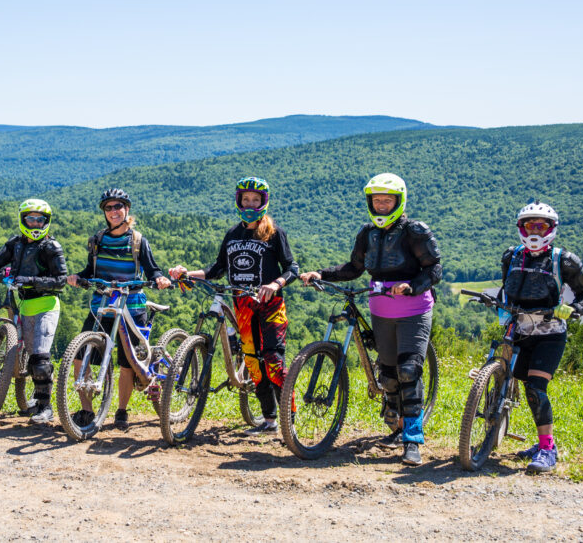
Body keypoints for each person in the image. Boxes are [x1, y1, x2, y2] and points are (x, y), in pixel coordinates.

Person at [300, 173, 441, 466]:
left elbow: (434, 270)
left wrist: (412, 286)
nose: (381, 206)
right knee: (388, 373)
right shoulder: (367, 233)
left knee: (408, 371)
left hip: (413, 309)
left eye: (387, 201)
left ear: (398, 202)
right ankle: (396, 424)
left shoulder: (415, 231)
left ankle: (413, 439)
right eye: (377, 201)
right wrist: (321, 274)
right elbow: (354, 268)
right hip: (381, 309)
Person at [170, 177, 298, 436]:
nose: (250, 203)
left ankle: (289, 419)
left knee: (273, 360)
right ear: (239, 200)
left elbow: (292, 268)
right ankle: (270, 420)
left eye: (256, 199)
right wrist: (186, 273)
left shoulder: (275, 233)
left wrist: (275, 284)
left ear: (264, 202)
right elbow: (216, 269)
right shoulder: (232, 234)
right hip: (242, 307)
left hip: (271, 306)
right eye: (246, 199)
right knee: (253, 362)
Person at [499, 202, 583, 474]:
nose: (535, 230)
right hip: (517, 330)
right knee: (511, 379)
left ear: (551, 229)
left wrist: (574, 310)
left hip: (550, 334)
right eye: (530, 225)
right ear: (521, 228)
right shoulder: (512, 256)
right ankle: (495, 431)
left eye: (541, 225)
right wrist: (499, 307)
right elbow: (506, 289)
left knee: (536, 388)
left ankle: (547, 447)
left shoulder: (564, 260)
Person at [67, 188, 171, 430]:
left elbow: (152, 270)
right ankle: (87, 411)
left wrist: (160, 279)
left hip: (131, 308)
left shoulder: (137, 241)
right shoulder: (97, 240)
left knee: (127, 364)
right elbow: (90, 272)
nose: (114, 211)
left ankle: (122, 410)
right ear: (104, 212)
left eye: (118, 207)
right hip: (101, 307)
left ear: (127, 210)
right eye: (109, 208)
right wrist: (77, 278)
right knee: (80, 357)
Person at [0, 199, 68, 424]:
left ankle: (45, 407)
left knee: (40, 360)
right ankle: (32, 400)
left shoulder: (51, 246)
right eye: (31, 219)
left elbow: (60, 281)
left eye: (40, 220)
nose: (35, 224)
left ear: (47, 222)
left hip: (47, 306)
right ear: (23, 220)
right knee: (32, 362)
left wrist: (30, 280)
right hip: (25, 306)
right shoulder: (16, 243)